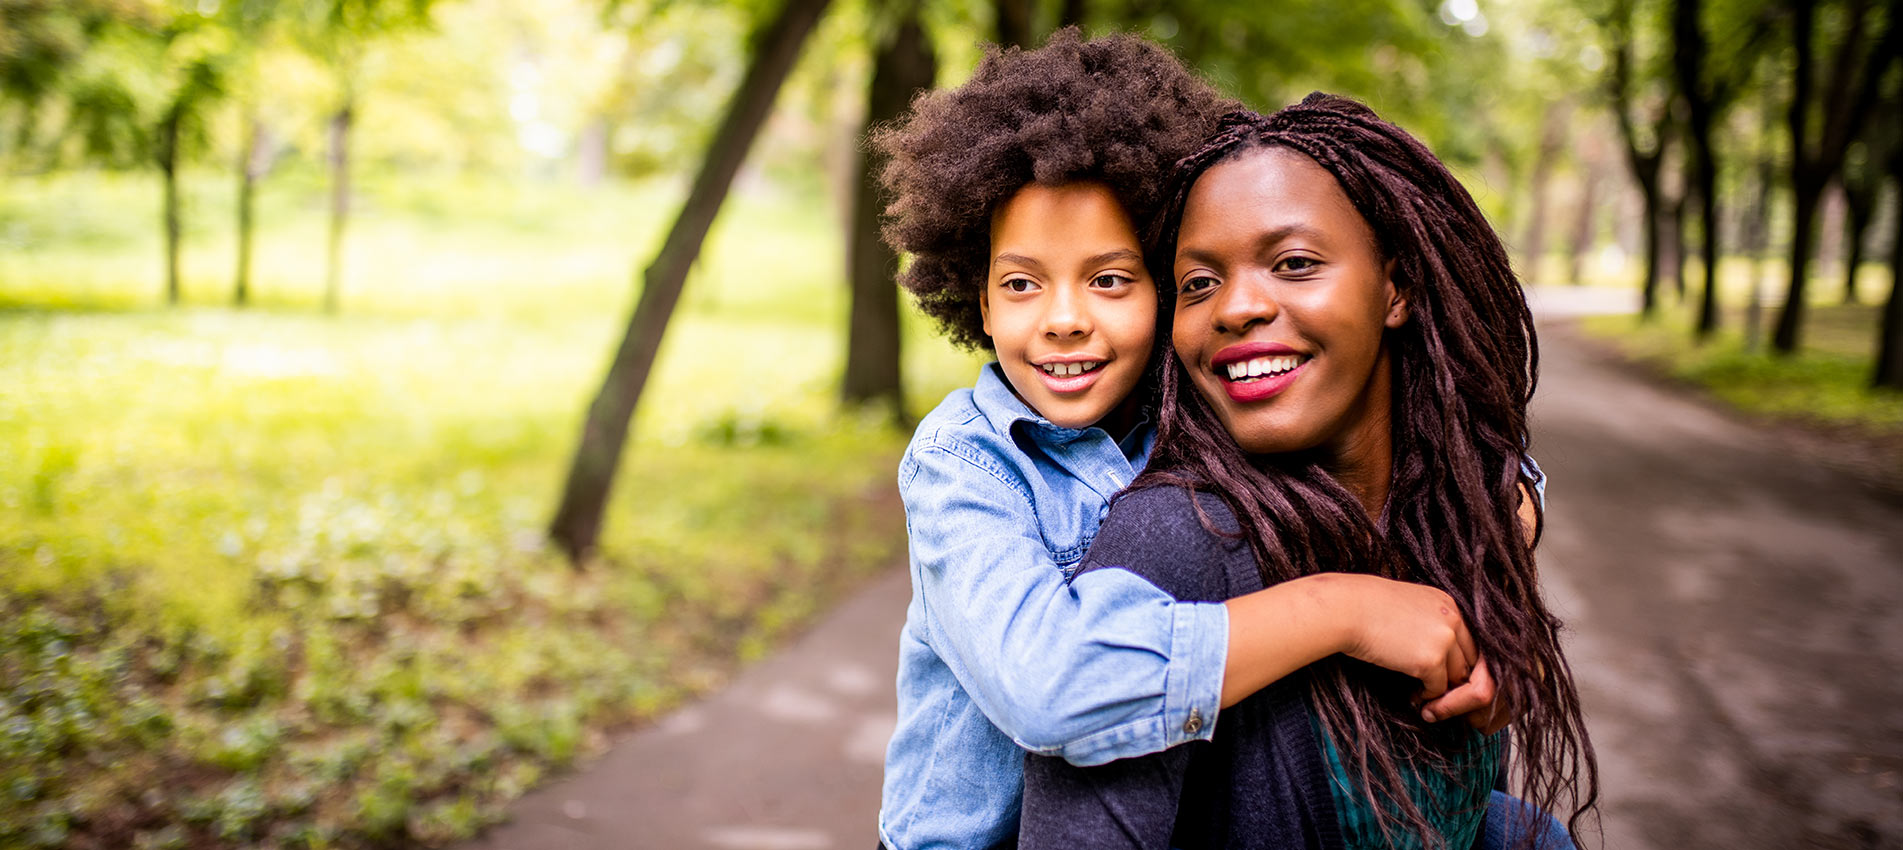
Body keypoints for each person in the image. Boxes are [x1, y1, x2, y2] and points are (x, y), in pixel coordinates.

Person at [874, 34, 1518, 850]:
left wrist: (1485, 593)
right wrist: (1340, 610)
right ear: (979, 300)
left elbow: (1466, 469)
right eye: (1020, 283)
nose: (1064, 318)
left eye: (1109, 279)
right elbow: (1047, 685)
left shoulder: (1196, 405)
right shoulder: (962, 464)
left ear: (1162, 287)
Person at [1018, 96, 1599, 849]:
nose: (1236, 308)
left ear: (1396, 288)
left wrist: (1500, 603)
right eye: (1197, 283)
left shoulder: (1456, 513)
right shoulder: (1178, 542)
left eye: (1293, 264)